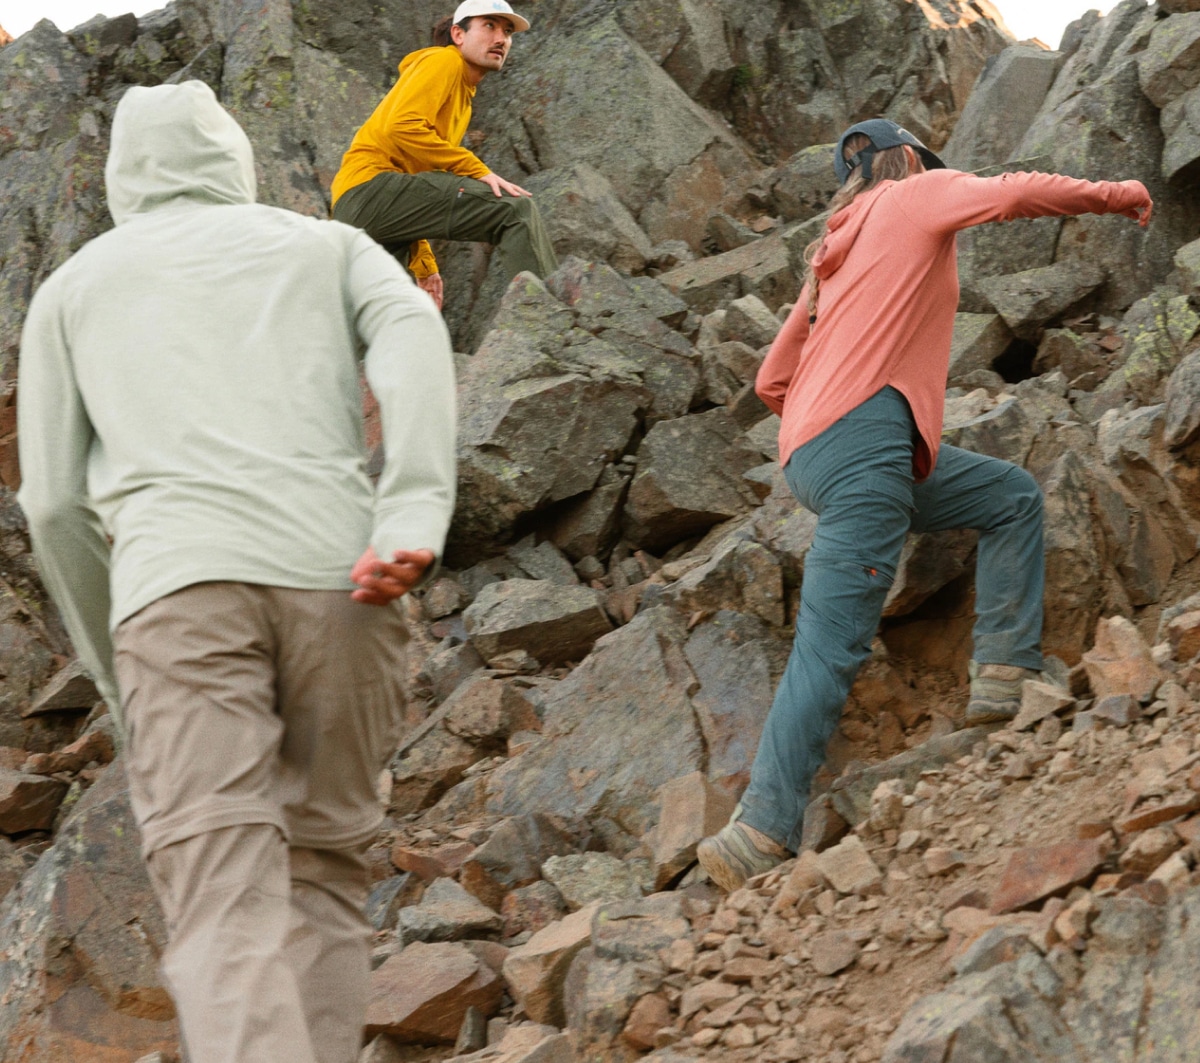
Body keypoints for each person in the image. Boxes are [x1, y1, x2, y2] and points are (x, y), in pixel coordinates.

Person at [17, 81, 456, 1063]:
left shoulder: (74, 289)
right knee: (325, 878)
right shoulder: (328, 247)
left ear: (125, 175)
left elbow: (50, 504)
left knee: (223, 896)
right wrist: (416, 505)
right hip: (345, 579)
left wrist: (118, 665)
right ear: (233, 160)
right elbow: (416, 330)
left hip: (179, 597)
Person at [697, 118, 1154, 892]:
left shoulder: (830, 253)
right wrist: (1118, 194)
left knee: (1009, 496)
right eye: (928, 163)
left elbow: (774, 378)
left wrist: (834, 409)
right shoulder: (913, 193)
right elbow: (1012, 194)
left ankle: (1003, 673)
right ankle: (761, 828)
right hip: (868, 443)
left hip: (817, 453)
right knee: (830, 644)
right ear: (905, 158)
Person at [330, 0, 557, 310]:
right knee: (514, 211)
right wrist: (475, 169)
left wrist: (424, 266)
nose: (501, 39)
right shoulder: (444, 62)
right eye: (489, 26)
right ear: (458, 34)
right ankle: (546, 322)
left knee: (390, 314)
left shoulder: (462, 93)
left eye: (507, 32)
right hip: (370, 190)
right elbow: (402, 126)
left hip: (357, 210)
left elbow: (415, 183)